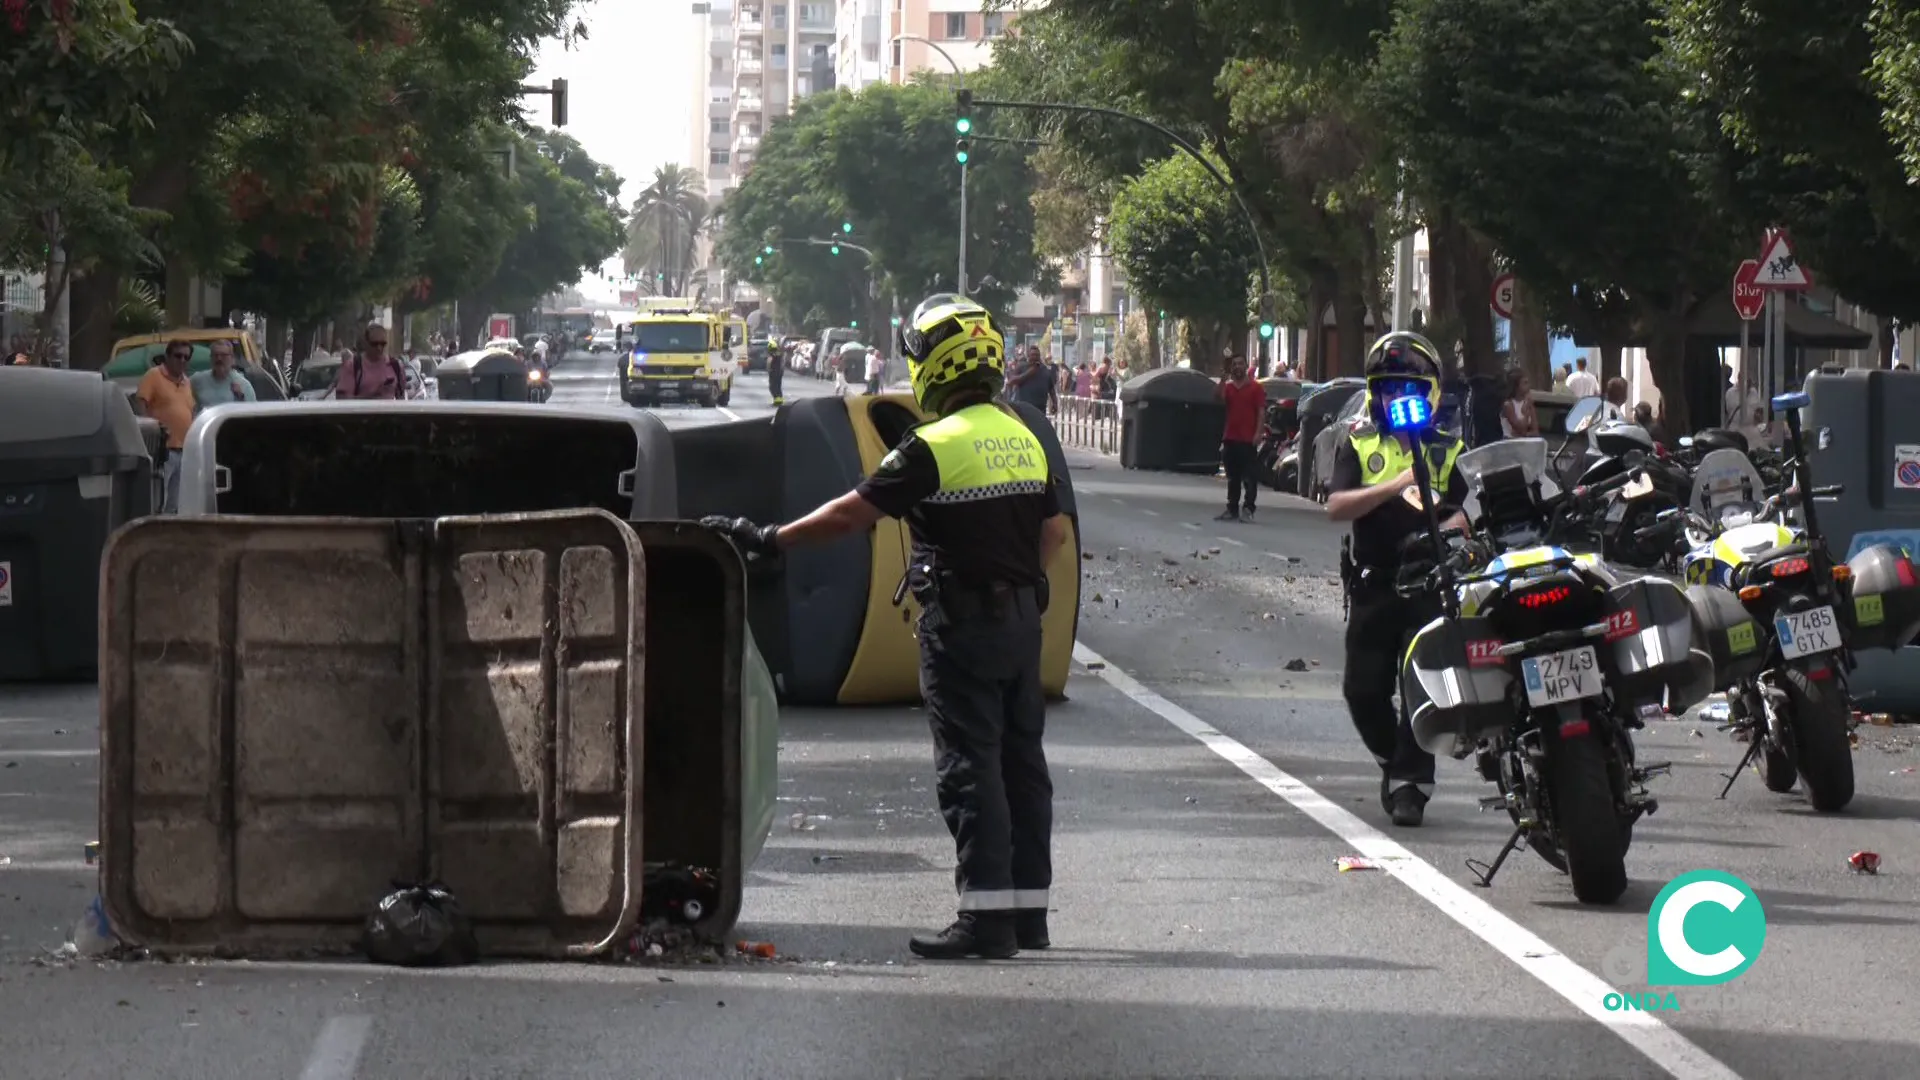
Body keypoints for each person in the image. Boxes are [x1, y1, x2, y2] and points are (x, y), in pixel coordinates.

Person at [702, 293, 1068, 959]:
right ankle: (1027, 918)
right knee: (1023, 766)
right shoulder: (1025, 436)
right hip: (1021, 624)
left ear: (937, 365)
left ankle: (985, 924)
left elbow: (852, 515)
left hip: (962, 627)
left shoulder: (932, 446)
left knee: (971, 770)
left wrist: (770, 538)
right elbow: (1054, 531)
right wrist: (1019, 578)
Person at [1325, 331, 1468, 828]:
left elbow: (1469, 510)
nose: (1397, 398)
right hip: (1373, 584)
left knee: (1419, 688)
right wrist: (1397, 484)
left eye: (1408, 387)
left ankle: (1411, 784)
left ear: (1428, 390)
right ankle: (1396, 763)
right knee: (1361, 690)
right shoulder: (1358, 441)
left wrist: (1451, 523)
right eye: (1387, 388)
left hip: (1428, 585)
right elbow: (1336, 506)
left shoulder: (1450, 448)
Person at [132, 339, 198, 512]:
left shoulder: (187, 382)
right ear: (167, 356)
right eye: (178, 356)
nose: (182, 360)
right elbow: (140, 403)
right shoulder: (153, 375)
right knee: (159, 497)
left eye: (186, 357)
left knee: (175, 501)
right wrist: (150, 431)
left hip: (183, 450)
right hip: (163, 450)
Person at [1215, 353, 1267, 522]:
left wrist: (1258, 432)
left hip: (1248, 439)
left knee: (1249, 477)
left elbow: (1261, 411)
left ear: (1246, 367)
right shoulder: (1229, 388)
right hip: (1230, 437)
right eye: (1234, 364)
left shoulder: (1255, 388)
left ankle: (1248, 508)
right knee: (1233, 477)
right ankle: (1232, 508)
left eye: (1240, 364)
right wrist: (1222, 380)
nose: (1237, 367)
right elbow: (1217, 397)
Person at [333, 324, 406, 399]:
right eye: (374, 344)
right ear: (366, 343)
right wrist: (372, 398)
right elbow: (343, 400)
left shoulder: (395, 365)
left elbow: (401, 398)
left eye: (383, 344)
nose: (379, 348)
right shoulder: (353, 366)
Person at [190, 340, 256, 412]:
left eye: (223, 355)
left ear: (232, 359)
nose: (219, 359)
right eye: (215, 355)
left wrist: (241, 398)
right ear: (211, 358)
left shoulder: (244, 385)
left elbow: (252, 414)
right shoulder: (197, 380)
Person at [1499, 369, 1539, 438]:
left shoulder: (1529, 404)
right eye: (1525, 383)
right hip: (1509, 443)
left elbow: (1536, 432)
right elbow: (1520, 428)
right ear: (1516, 386)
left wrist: (1524, 434)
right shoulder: (1508, 405)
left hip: (1524, 444)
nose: (1529, 386)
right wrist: (1526, 413)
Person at [767, 336, 785, 405]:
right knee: (778, 386)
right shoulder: (779, 355)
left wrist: (769, 370)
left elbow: (769, 363)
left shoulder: (771, 355)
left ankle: (777, 400)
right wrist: (782, 371)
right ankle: (778, 400)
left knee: (773, 387)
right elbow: (782, 364)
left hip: (773, 373)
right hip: (779, 373)